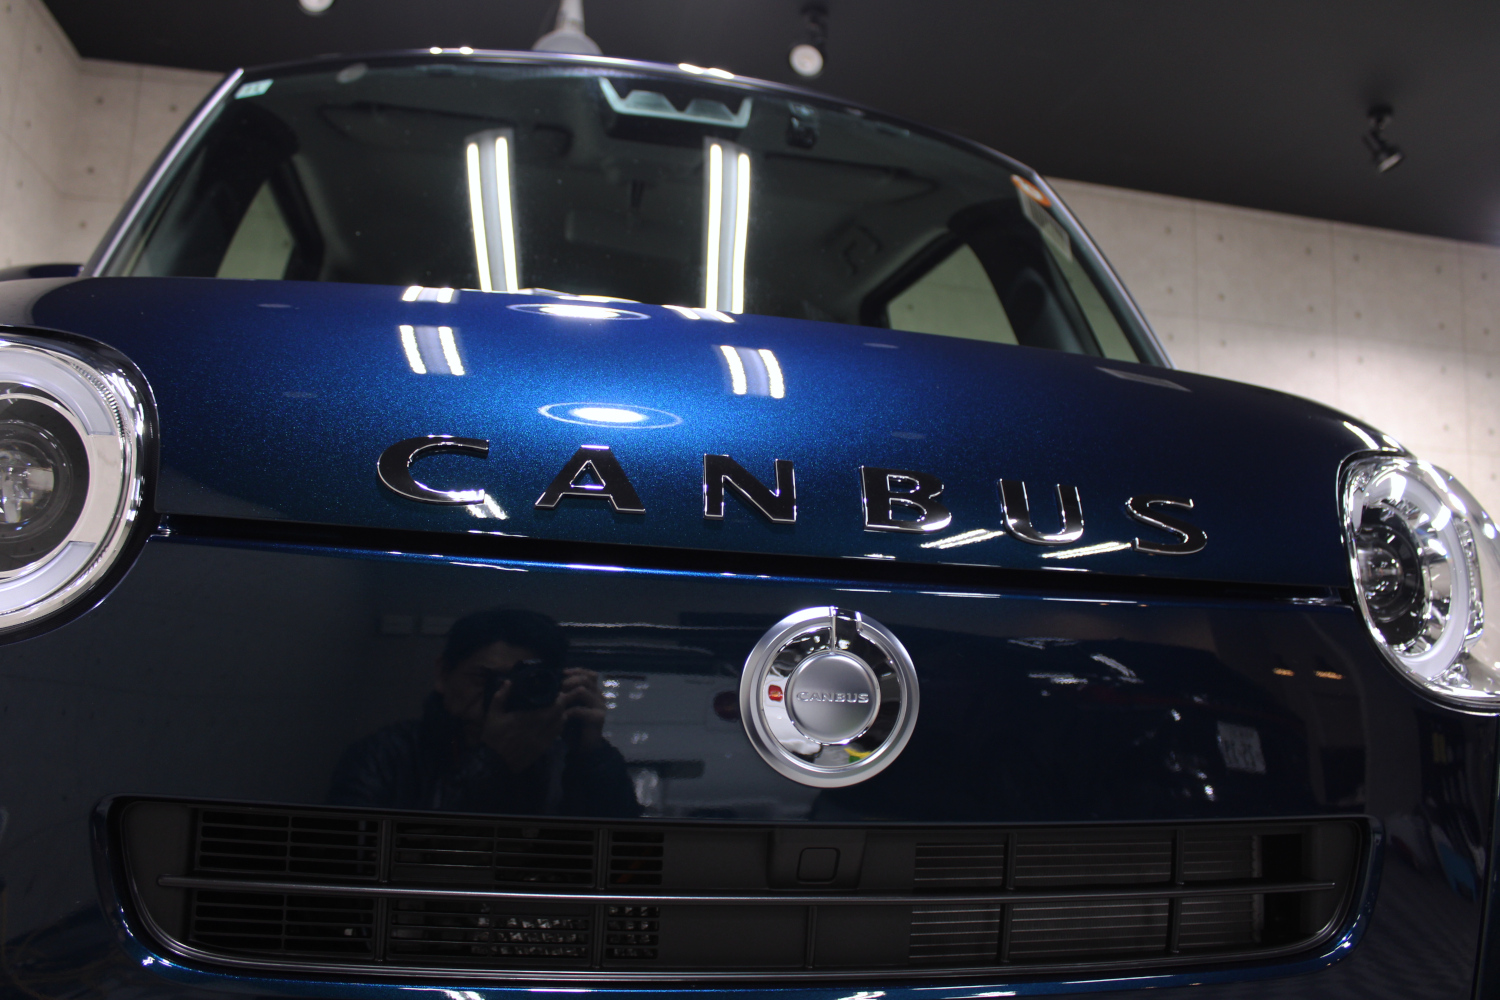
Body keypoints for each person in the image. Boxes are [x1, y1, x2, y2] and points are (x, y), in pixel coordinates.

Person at [328, 608, 641, 817]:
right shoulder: (386, 756)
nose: (500, 695)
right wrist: (492, 764)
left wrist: (593, 757)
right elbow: (355, 864)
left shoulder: (565, 758)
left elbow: (623, 865)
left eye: (520, 682)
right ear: (443, 673)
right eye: (485, 679)